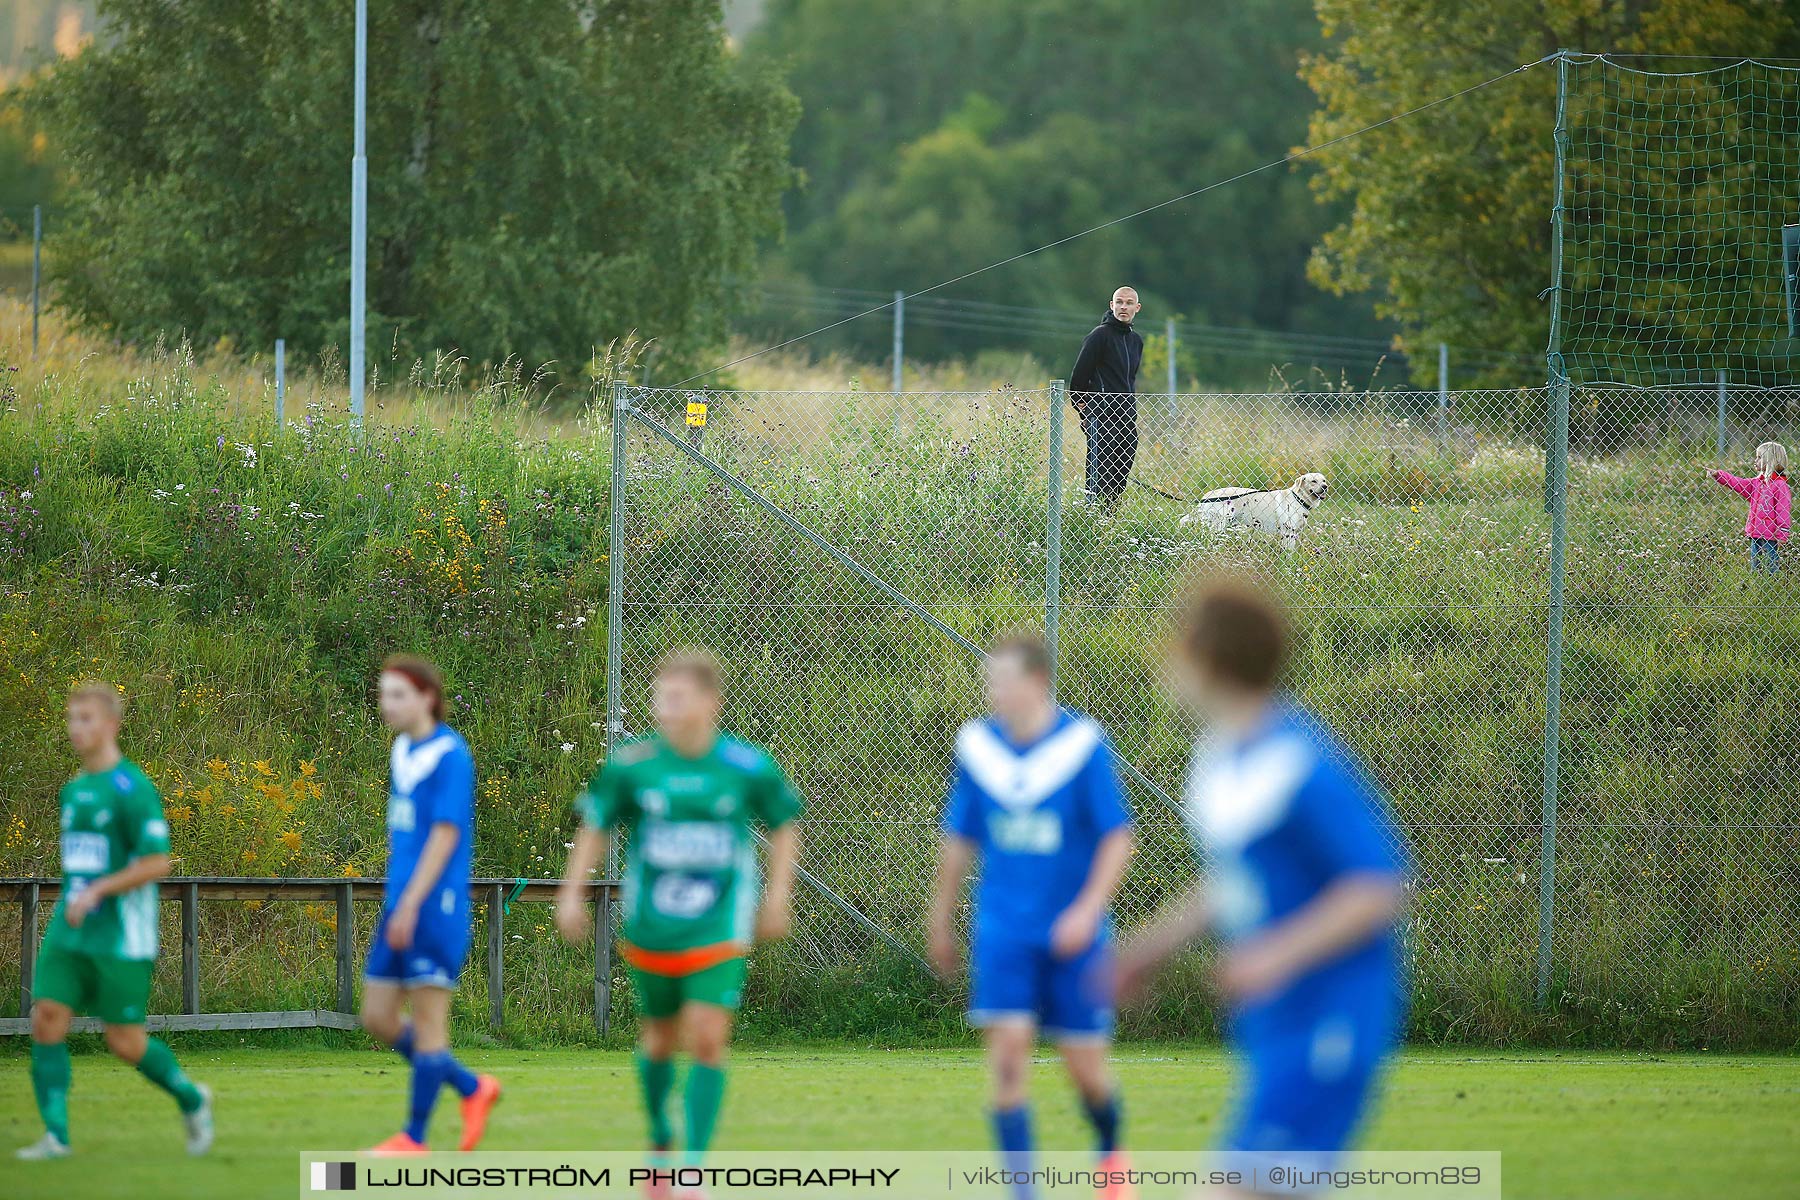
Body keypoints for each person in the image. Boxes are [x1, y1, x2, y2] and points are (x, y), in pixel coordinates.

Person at [1117, 582, 1408, 1197]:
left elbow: (1378, 888)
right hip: (1278, 1021)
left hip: (1331, 1013)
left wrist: (1275, 953)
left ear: (1208, 656)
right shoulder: (1222, 759)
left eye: (1175, 645)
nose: (1165, 662)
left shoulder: (1300, 761)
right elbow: (1233, 885)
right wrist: (1144, 951)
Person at [557, 648, 801, 1200]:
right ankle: (661, 1139)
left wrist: (778, 894)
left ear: (710, 703)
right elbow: (596, 824)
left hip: (718, 928)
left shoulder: (746, 766)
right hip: (652, 927)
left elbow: (785, 824)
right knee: (660, 1039)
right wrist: (571, 893)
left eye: (676, 697)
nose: (664, 708)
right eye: (659, 698)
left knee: (709, 1038)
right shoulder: (633, 765)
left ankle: (692, 1170)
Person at [928, 632, 1137, 1200]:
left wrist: (1087, 910)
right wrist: (940, 916)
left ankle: (1112, 1156)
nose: (993, 690)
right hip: (1003, 930)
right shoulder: (977, 748)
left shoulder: (1083, 746)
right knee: (1009, 1061)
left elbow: (1118, 837)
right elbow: (959, 837)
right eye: (989, 680)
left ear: (1037, 682)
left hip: (1074, 936)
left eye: (1004, 680)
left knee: (1086, 1071)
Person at [18, 682, 213, 1161]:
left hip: (122, 936)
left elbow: (157, 862)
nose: (76, 728)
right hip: (71, 929)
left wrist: (100, 891)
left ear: (111, 725)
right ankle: (56, 1138)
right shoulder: (74, 791)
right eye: (72, 718)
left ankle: (192, 1099)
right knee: (45, 1018)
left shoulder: (133, 788)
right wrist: (80, 898)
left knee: (124, 1041)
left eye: (86, 718)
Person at [360, 655, 502, 1154]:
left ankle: (414, 1136)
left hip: (433, 908)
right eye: (383, 694)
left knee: (428, 1026)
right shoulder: (403, 750)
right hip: (402, 904)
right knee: (376, 1015)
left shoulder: (450, 755)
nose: (387, 704)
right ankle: (470, 1087)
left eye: (398, 694)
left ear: (427, 698)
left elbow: (444, 836)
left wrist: (410, 904)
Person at [1069, 286, 1144, 509]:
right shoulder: (1099, 336)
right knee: (1099, 479)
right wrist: (1086, 413)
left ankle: (1109, 522)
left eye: (1129, 303)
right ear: (1111, 305)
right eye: (1119, 302)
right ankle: (1093, 522)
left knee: (1119, 481)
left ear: (1137, 308)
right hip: (1101, 418)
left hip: (1127, 419)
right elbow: (1078, 380)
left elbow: (1129, 380)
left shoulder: (1136, 341)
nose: (1123, 307)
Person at [1710, 441, 1790, 574]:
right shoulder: (1756, 483)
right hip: (1755, 533)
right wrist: (1719, 475)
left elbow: (1783, 511)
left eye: (1759, 457)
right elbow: (1738, 483)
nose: (1755, 460)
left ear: (1770, 460)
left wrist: (1782, 534)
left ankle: (1772, 587)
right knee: (1755, 566)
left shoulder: (1780, 485)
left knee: (1771, 566)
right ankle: (1757, 586)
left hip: (1771, 536)